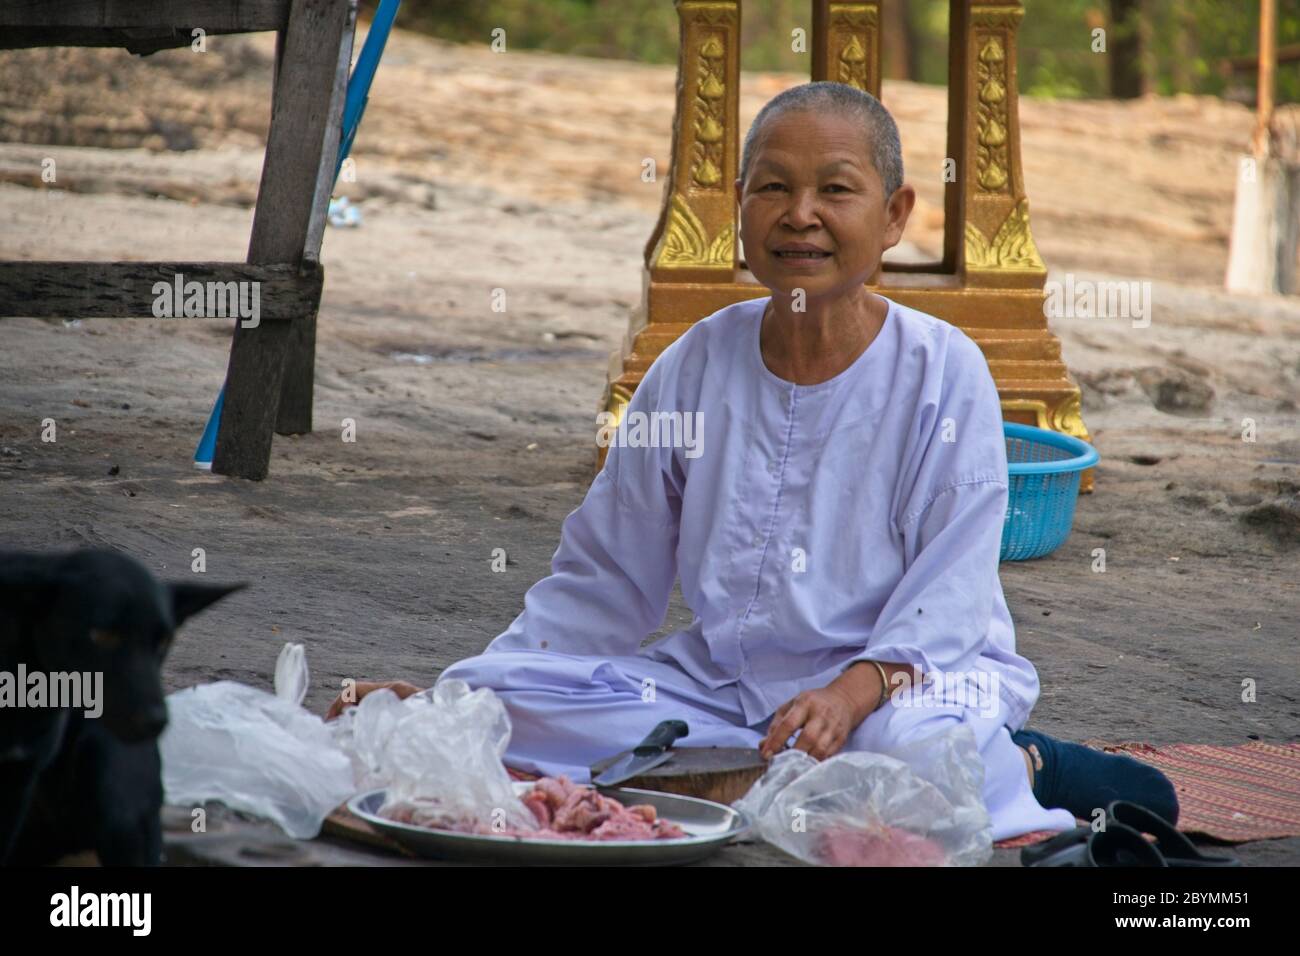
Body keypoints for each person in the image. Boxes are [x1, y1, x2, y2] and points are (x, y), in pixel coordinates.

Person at [328, 82, 1178, 842]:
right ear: (739, 206)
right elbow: (602, 574)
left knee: (914, 766)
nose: (800, 214)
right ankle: (754, 775)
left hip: (900, 689)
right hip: (721, 693)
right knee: (502, 697)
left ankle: (1025, 765)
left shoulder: (942, 368)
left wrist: (851, 694)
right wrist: (464, 706)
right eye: (773, 187)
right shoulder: (691, 366)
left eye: (835, 189)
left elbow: (952, 591)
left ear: (893, 214)